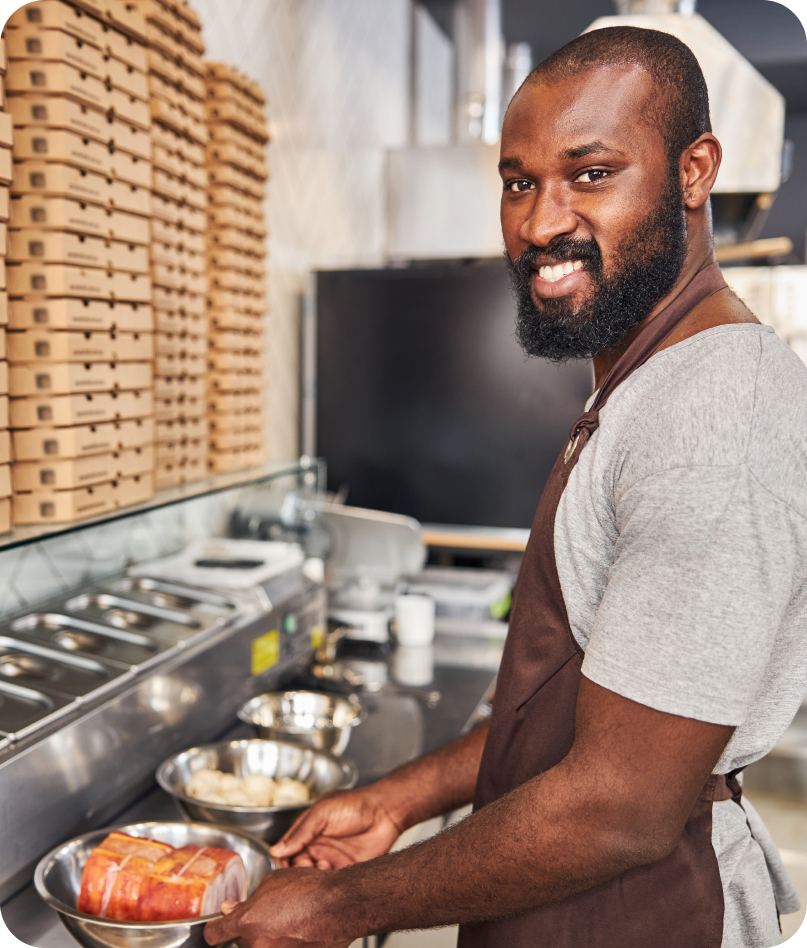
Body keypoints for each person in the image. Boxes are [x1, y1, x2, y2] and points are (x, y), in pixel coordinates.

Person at [205, 25, 807, 948]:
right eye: (518, 181)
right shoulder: (645, 383)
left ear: (694, 172)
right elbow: (572, 713)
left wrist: (340, 905)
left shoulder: (711, 418)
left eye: (591, 173)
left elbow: (619, 807)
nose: (538, 223)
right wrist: (399, 799)